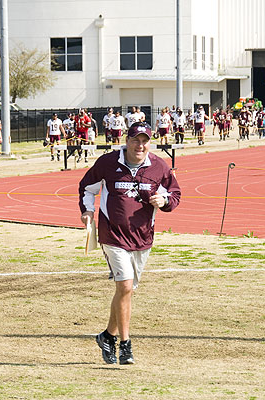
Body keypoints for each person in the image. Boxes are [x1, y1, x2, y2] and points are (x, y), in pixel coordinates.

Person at [79, 122, 181, 365]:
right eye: (136, 140)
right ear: (127, 140)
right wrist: (87, 211)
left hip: (143, 237)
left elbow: (174, 194)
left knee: (126, 291)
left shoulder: (159, 166)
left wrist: (163, 200)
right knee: (124, 286)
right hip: (112, 235)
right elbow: (87, 187)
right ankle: (125, 345)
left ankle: (107, 335)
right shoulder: (108, 163)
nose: (140, 145)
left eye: (145, 140)